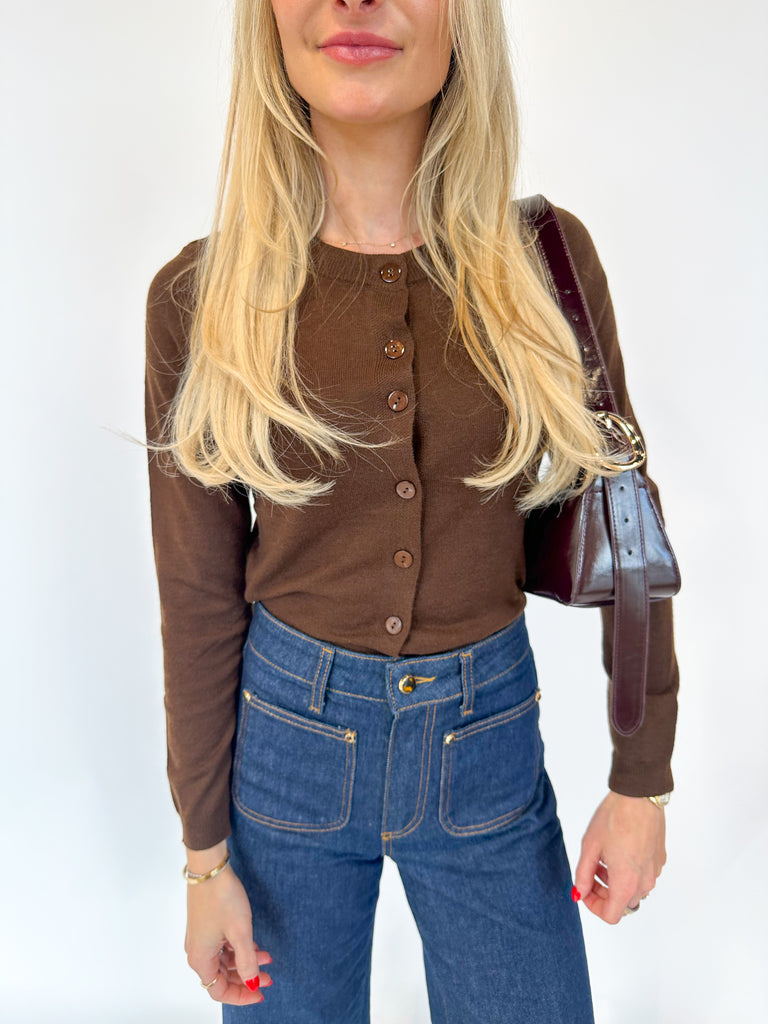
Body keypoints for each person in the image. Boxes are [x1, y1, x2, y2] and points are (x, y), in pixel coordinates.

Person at [144, 1, 678, 1021]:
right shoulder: (202, 297)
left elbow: (628, 532)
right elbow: (198, 599)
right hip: (285, 754)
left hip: (488, 749)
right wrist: (204, 859)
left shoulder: (545, 263)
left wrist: (640, 781)